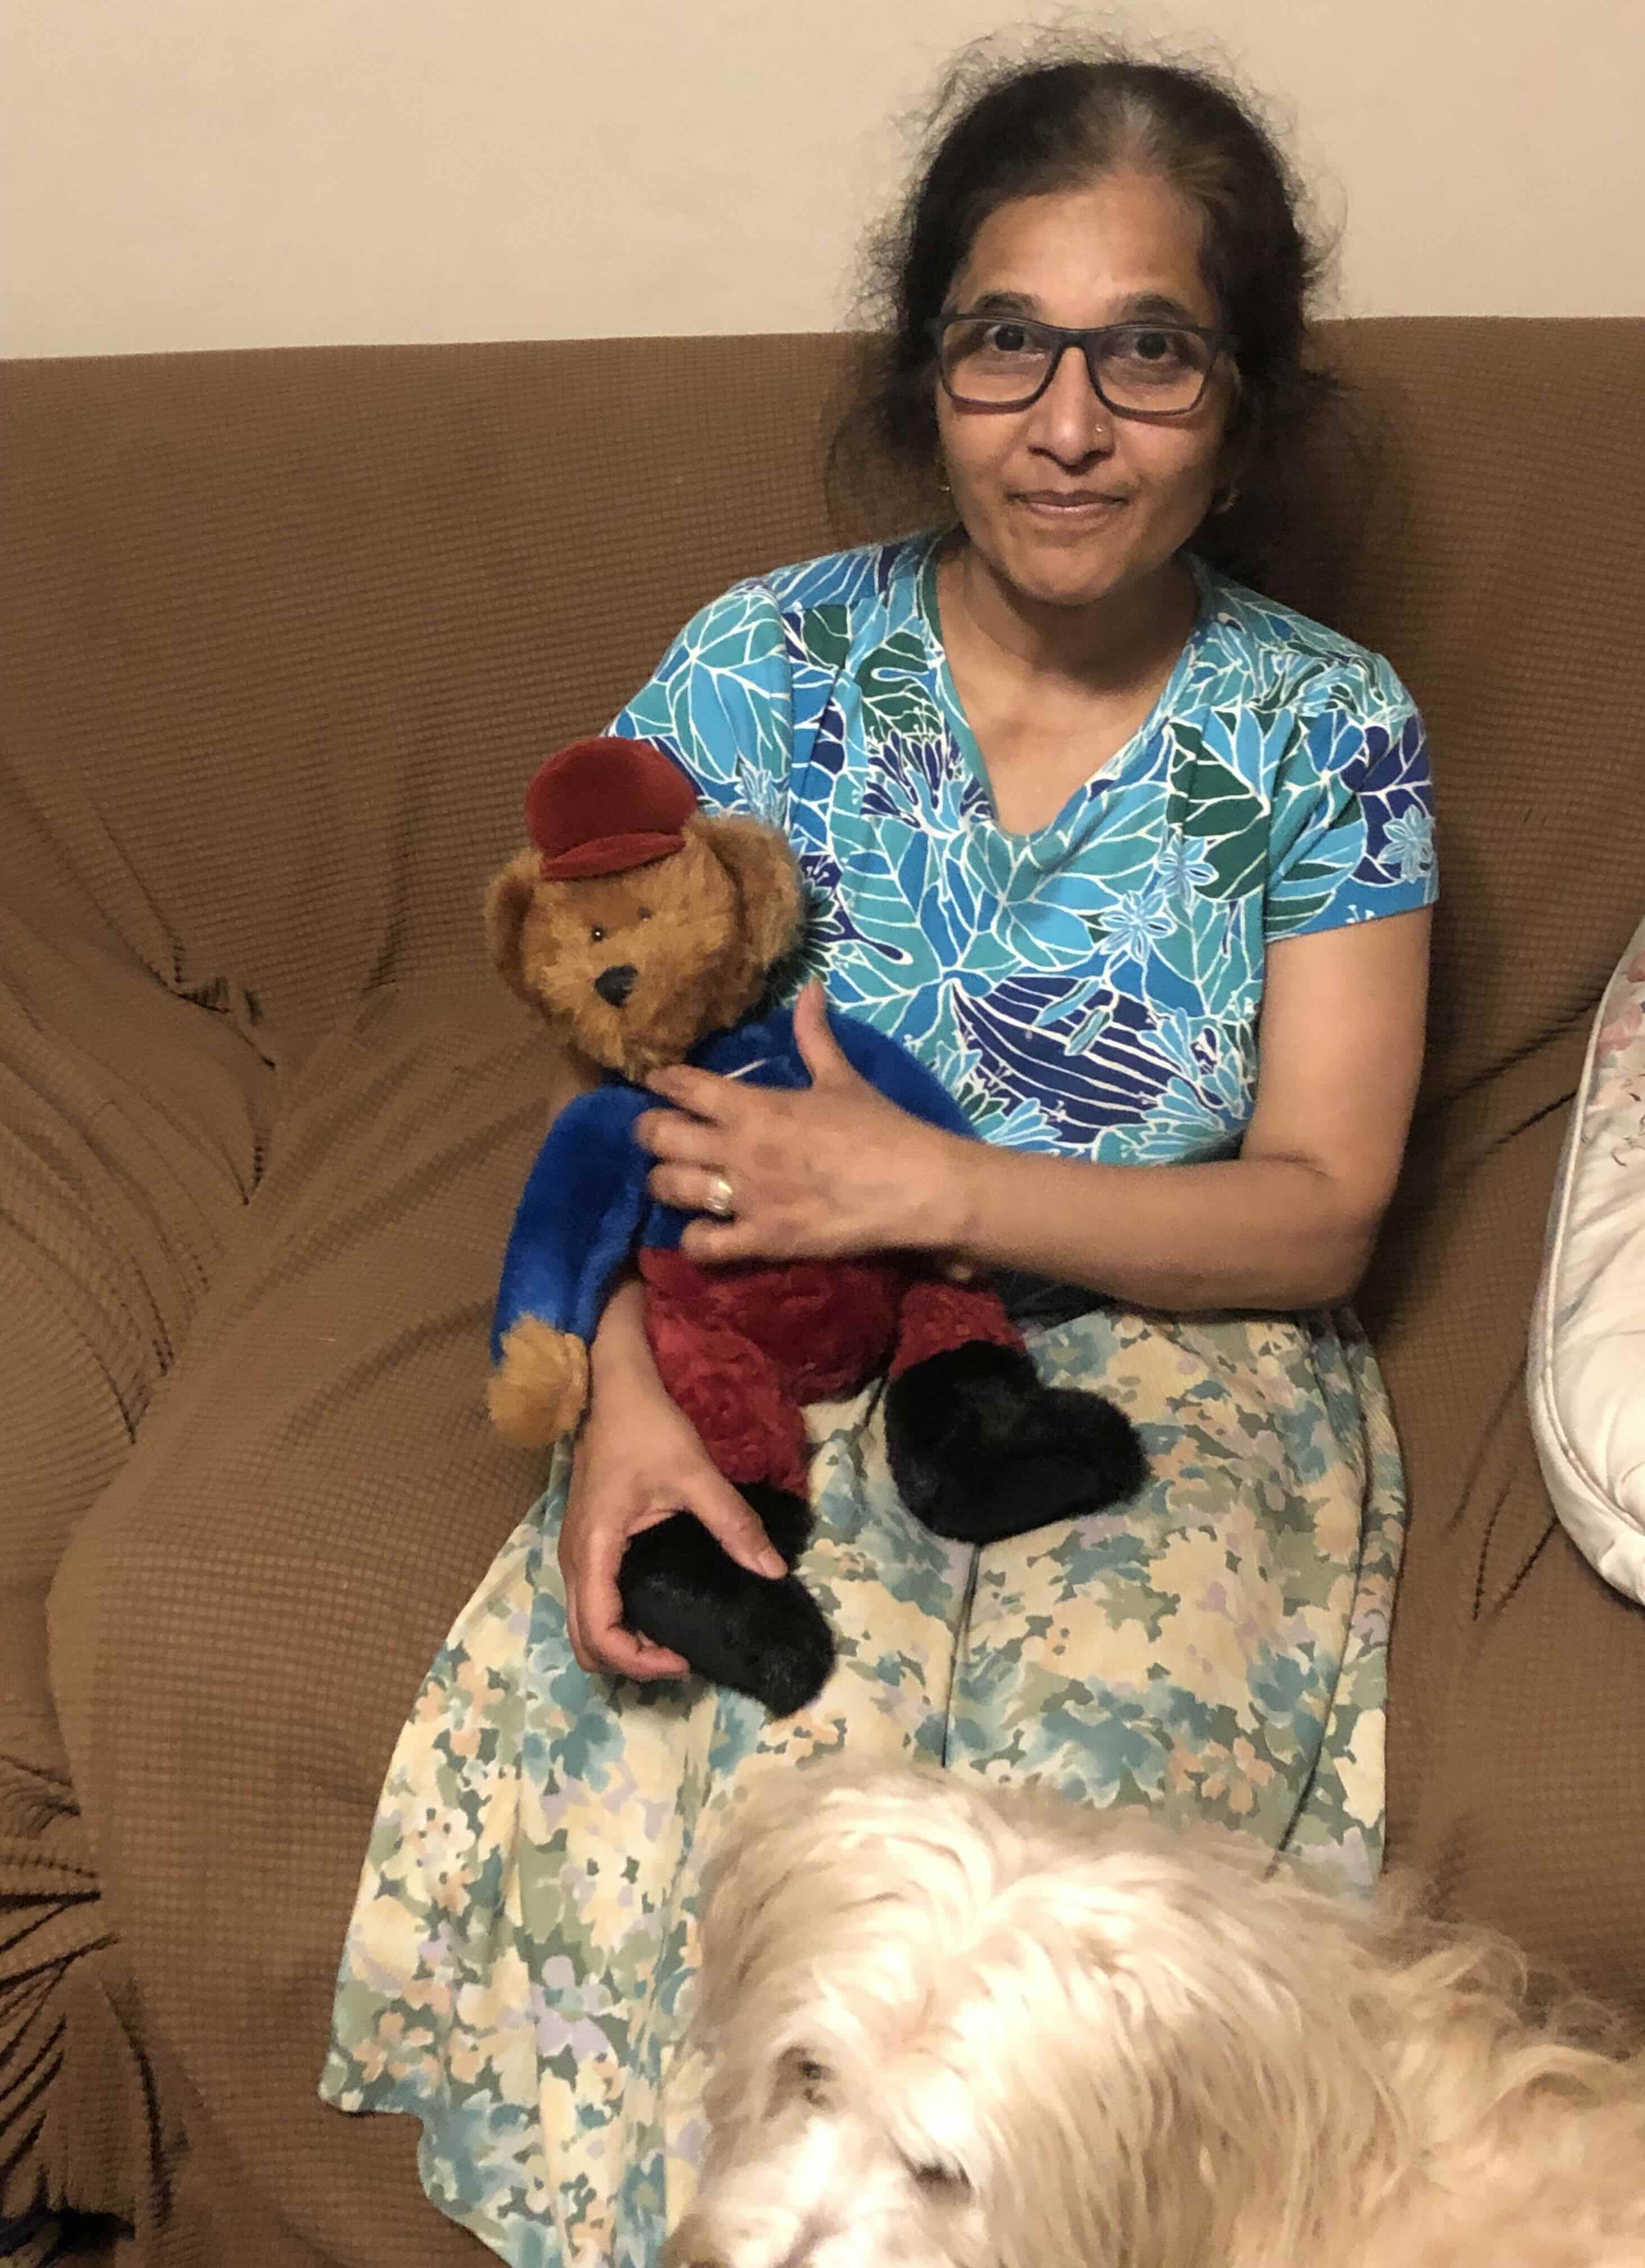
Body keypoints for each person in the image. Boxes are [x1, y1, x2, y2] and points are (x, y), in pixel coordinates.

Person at [321, 40, 1436, 2266]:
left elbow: (1319, 1211)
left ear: (1240, 411)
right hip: (763, 1333)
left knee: (1068, 1947)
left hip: (1178, 1357)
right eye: (1006, 340)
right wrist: (627, 1406)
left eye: (1150, 352)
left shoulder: (1332, 730)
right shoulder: (760, 668)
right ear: (932, 375)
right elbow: (613, 1082)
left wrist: (927, 1192)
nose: (1068, 421)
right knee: (733, 1812)